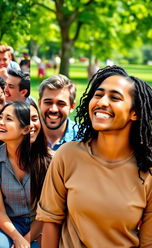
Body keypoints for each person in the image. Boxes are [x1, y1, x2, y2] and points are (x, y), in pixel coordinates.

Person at [36, 65, 152, 247]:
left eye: (114, 97)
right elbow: (50, 221)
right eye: (98, 95)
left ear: (135, 113)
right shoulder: (67, 155)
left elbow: (148, 242)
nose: (102, 102)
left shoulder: (147, 171)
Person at [0, 101, 31, 248]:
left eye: (8, 119)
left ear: (26, 129)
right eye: (0, 117)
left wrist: (27, 239)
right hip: (9, 221)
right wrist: (17, 238)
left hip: (40, 223)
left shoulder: (42, 160)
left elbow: (47, 209)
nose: (0, 123)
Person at [29, 98, 52, 247]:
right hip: (12, 224)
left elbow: (47, 213)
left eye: (34, 119)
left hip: (42, 226)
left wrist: (24, 241)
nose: (30, 125)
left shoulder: (51, 161)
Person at [38, 74, 78, 152]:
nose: (53, 109)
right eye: (48, 102)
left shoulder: (84, 139)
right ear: (39, 103)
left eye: (61, 104)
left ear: (72, 106)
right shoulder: (28, 136)